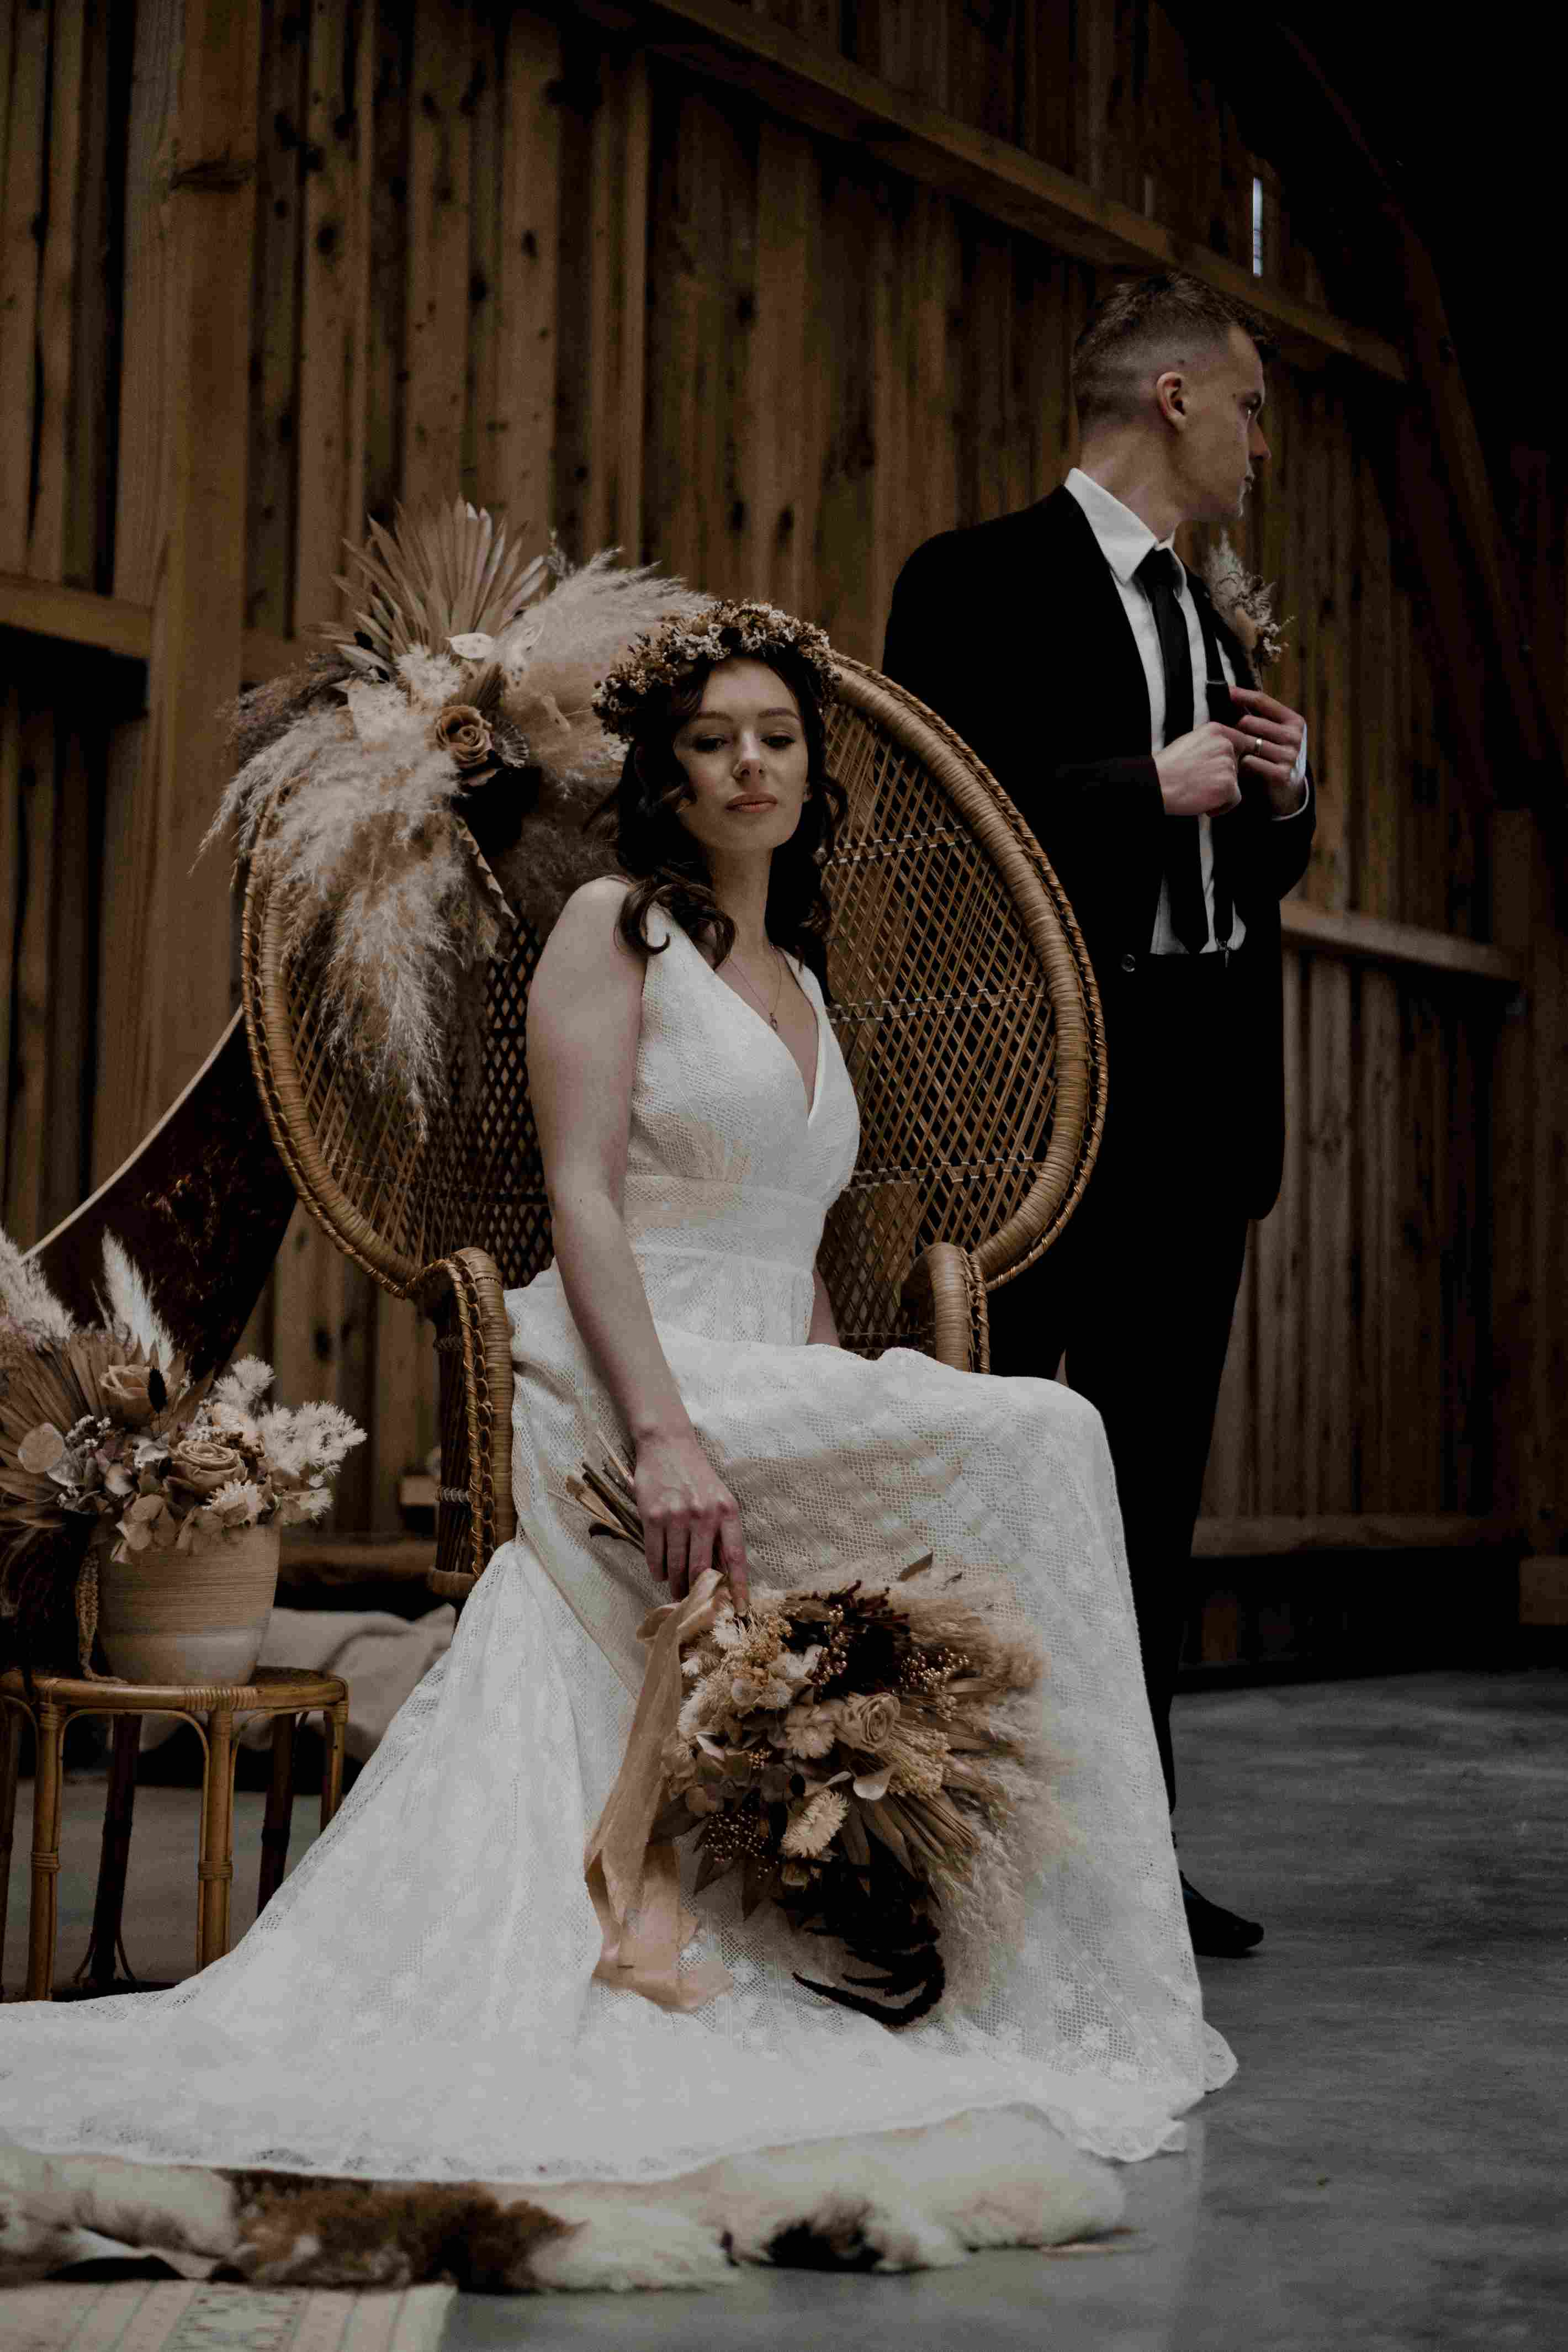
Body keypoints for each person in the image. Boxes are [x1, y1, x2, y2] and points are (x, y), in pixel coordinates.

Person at [0, 603, 1230, 2271]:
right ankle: (1059, 1961)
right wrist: (665, 1431)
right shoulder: (613, 928)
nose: (749, 763)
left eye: (779, 740)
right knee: (1058, 1433)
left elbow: (799, 1245)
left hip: (765, 1353)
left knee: (1029, 1436)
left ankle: (1019, 1955)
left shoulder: (800, 975)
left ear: (810, 775)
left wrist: (850, 1418)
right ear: (670, 771)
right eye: (717, 738)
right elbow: (582, 1195)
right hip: (624, 1347)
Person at [882, 274, 1316, 1958]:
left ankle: (1130, 1871)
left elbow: (1242, 867)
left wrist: (1281, 794)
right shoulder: (972, 579)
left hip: (1202, 1108)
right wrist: (1153, 784)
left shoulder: (1212, 620)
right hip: (1037, 1110)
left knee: (1153, 1509)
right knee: (985, 1479)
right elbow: (939, 819)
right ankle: (939, 1853)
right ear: (1178, 400)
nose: (1268, 443)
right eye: (1258, 406)